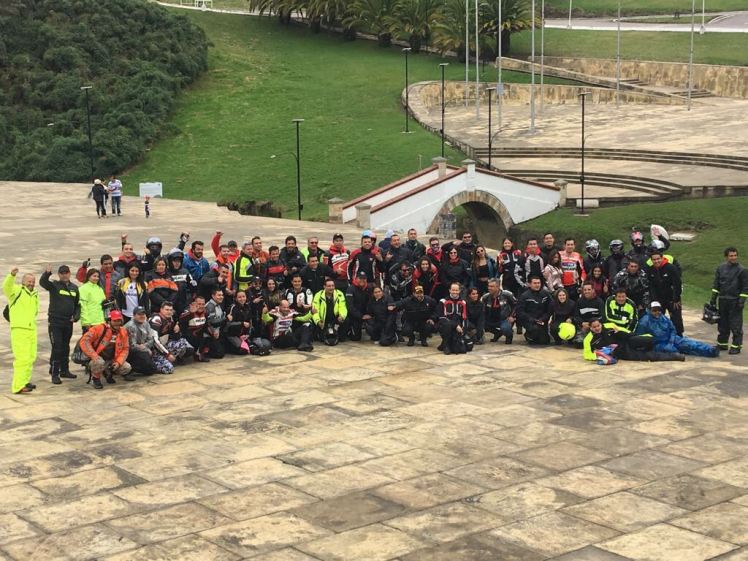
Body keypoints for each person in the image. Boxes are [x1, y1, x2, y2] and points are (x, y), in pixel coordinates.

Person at [40, 264, 80, 384]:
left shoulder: (74, 288)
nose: (64, 275)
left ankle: (64, 370)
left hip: (68, 323)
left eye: (66, 273)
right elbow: (43, 282)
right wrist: (47, 273)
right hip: (55, 322)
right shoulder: (54, 285)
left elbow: (77, 305)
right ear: (59, 275)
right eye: (62, 273)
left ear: (69, 273)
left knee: (65, 347)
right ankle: (54, 373)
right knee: (57, 347)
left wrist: (76, 316)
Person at [636, 302, 719, 357]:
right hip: (658, 344)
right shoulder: (644, 321)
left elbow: (672, 329)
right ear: (649, 310)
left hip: (672, 339)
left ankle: (710, 350)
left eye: (659, 310)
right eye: (654, 310)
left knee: (689, 343)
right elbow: (641, 338)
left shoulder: (664, 318)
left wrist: (671, 340)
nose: (657, 312)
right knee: (673, 350)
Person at [583, 318, 684, 363]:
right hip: (621, 352)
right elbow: (587, 355)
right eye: (594, 327)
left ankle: (667, 347)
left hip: (627, 341)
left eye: (598, 325)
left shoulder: (609, 326)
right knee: (647, 356)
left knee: (648, 340)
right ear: (590, 328)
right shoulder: (588, 339)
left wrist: (635, 336)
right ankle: (675, 356)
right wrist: (600, 355)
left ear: (601, 324)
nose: (597, 328)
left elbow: (624, 331)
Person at [4, 268, 39, 394]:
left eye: (33, 281)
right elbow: (7, 287)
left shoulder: (34, 294)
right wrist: (11, 275)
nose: (31, 283)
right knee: (22, 358)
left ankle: (25, 381)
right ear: (23, 282)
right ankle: (18, 386)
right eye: (29, 281)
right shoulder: (17, 290)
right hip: (20, 330)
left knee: (31, 357)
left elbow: (35, 311)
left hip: (31, 329)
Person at [79, 310, 132, 388]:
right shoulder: (99, 328)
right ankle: (96, 378)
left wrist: (118, 362)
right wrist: (94, 356)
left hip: (111, 359)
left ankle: (107, 372)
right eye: (115, 321)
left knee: (126, 368)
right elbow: (84, 341)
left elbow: (125, 349)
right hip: (98, 357)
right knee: (99, 362)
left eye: (119, 321)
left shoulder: (123, 332)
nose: (117, 323)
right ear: (109, 321)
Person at [711, 246, 747, 355]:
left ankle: (736, 346)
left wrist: (741, 300)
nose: (734, 257)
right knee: (723, 323)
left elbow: (745, 287)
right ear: (726, 257)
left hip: (735, 301)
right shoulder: (720, 268)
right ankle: (722, 344)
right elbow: (716, 285)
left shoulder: (742, 270)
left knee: (736, 325)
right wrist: (713, 298)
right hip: (723, 300)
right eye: (731, 256)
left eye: (735, 255)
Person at [126, 306, 175, 375]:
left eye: (143, 314)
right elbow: (132, 346)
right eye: (139, 314)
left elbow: (151, 340)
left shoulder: (145, 323)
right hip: (133, 353)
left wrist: (145, 346)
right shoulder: (131, 326)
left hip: (147, 350)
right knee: (150, 369)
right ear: (134, 316)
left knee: (169, 368)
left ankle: (151, 366)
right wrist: (145, 349)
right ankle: (133, 369)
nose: (142, 316)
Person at [646, 249, 683, 336]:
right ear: (651, 260)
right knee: (657, 319)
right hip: (659, 299)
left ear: (662, 258)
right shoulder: (651, 270)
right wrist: (654, 300)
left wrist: (676, 298)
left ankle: (679, 336)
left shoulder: (671, 268)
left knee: (676, 320)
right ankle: (660, 337)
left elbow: (677, 283)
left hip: (672, 299)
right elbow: (651, 286)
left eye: (658, 259)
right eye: (654, 259)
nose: (656, 261)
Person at [516, 275, 552, 345]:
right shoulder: (524, 296)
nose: (537, 285)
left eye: (538, 283)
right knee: (534, 334)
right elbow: (520, 311)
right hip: (530, 321)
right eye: (535, 283)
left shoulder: (545, 294)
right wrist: (532, 319)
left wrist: (543, 318)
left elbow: (550, 308)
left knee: (544, 341)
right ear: (530, 284)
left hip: (542, 320)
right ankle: (528, 335)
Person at [312, 279, 348, 345]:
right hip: (323, 320)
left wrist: (342, 316)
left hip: (336, 319)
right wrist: (318, 321)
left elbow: (343, 307)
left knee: (342, 336)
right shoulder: (318, 295)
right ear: (324, 287)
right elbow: (315, 311)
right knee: (321, 339)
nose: (331, 288)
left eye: (332, 286)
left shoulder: (339, 294)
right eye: (329, 286)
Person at [437, 282, 469, 355]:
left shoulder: (463, 302)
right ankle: (446, 345)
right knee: (447, 325)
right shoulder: (443, 301)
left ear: (459, 291)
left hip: (458, 327)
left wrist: (463, 330)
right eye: (453, 290)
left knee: (462, 350)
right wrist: (455, 325)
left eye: (456, 290)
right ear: (449, 290)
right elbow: (442, 318)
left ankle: (444, 344)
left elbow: (464, 317)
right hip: (445, 326)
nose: (455, 292)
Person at [481, 278, 515, 344]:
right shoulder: (485, 297)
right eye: (488, 286)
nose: (489, 288)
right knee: (481, 323)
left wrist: (512, 316)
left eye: (492, 286)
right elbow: (482, 310)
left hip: (504, 319)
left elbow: (516, 305)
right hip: (491, 319)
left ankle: (509, 336)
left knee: (505, 328)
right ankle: (497, 333)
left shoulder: (507, 294)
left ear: (498, 287)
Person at [179, 295, 212, 362]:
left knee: (208, 336)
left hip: (198, 336)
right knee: (189, 349)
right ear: (194, 303)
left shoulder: (206, 312)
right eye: (199, 304)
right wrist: (191, 313)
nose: (201, 306)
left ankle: (199, 355)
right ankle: (180, 357)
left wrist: (213, 333)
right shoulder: (188, 310)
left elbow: (206, 325)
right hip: (186, 337)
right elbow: (180, 320)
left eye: (203, 304)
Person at [345, 271, 372, 341]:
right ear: (356, 278)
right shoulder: (350, 289)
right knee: (356, 338)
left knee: (374, 333)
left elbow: (371, 303)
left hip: (366, 314)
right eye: (360, 278)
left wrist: (370, 314)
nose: (362, 280)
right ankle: (349, 329)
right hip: (354, 316)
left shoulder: (369, 288)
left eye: (364, 278)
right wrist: (361, 316)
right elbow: (350, 307)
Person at [166, 249, 195, 314]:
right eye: (175, 261)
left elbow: (192, 289)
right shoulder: (165, 273)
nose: (177, 263)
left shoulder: (185, 272)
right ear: (170, 261)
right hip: (170, 308)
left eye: (179, 261)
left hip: (184, 306)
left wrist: (188, 303)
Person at [204, 289, 227, 359]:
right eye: (219, 295)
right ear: (213, 296)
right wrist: (226, 319)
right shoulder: (210, 306)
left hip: (218, 332)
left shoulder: (218, 304)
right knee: (219, 354)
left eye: (222, 295)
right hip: (209, 334)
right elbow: (212, 322)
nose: (221, 297)